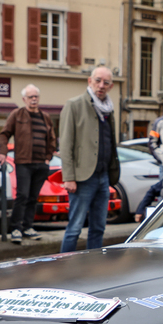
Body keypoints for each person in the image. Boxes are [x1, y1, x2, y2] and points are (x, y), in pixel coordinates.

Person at [58, 66, 121, 253]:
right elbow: (66, 144)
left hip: (103, 176)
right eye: (97, 80)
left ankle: (93, 265)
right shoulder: (74, 105)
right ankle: (65, 264)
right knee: (74, 228)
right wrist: (68, 177)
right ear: (89, 81)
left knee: (99, 228)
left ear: (111, 86)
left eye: (106, 82)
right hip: (82, 177)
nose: (101, 85)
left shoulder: (109, 109)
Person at [0, 84, 57, 244]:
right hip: (24, 162)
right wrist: (3, 152)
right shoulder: (17, 115)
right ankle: (16, 229)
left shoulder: (45, 117)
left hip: (41, 163)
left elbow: (52, 138)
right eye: (31, 97)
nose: (34, 99)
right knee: (22, 195)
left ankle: (28, 227)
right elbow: (4, 134)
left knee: (33, 197)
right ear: (24, 99)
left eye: (36, 96)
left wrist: (48, 157)